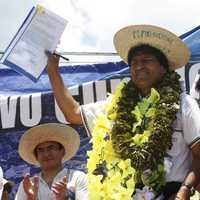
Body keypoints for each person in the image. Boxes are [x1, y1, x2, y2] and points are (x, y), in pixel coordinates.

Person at [46, 25, 200, 200]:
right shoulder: (116, 107)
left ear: (164, 68)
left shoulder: (183, 103)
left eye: (146, 60)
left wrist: (185, 190)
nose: (139, 66)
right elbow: (72, 113)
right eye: (134, 63)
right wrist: (52, 69)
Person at [15, 123, 88, 200]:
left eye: (51, 148)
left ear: (62, 151)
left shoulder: (78, 177)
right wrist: (30, 198)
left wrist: (65, 198)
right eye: (41, 150)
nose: (46, 154)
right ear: (36, 156)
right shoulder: (28, 185)